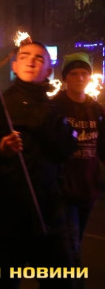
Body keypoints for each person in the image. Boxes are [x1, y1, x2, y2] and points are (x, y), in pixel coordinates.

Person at [0, 41, 77, 288]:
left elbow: (66, 150)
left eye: (39, 58)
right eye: (25, 56)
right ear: (15, 66)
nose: (31, 61)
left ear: (49, 70)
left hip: (49, 216)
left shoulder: (54, 109)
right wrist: (0, 150)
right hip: (6, 218)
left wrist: (44, 123)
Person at [52, 52, 105, 267]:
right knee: (71, 247)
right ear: (65, 77)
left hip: (88, 187)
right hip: (63, 190)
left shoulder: (96, 109)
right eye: (74, 73)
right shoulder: (55, 108)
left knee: (76, 240)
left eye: (84, 73)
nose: (80, 78)